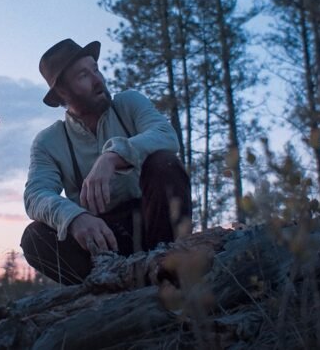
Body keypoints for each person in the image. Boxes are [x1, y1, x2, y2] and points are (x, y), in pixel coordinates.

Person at [21, 38, 192, 285]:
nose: (98, 80)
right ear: (62, 92)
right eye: (83, 76)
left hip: (154, 223)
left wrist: (112, 157)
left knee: (164, 163)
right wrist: (73, 217)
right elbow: (35, 195)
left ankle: (169, 275)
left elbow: (166, 136)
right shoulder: (48, 141)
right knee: (34, 238)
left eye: (96, 70)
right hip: (99, 241)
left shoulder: (129, 104)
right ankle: (106, 289)